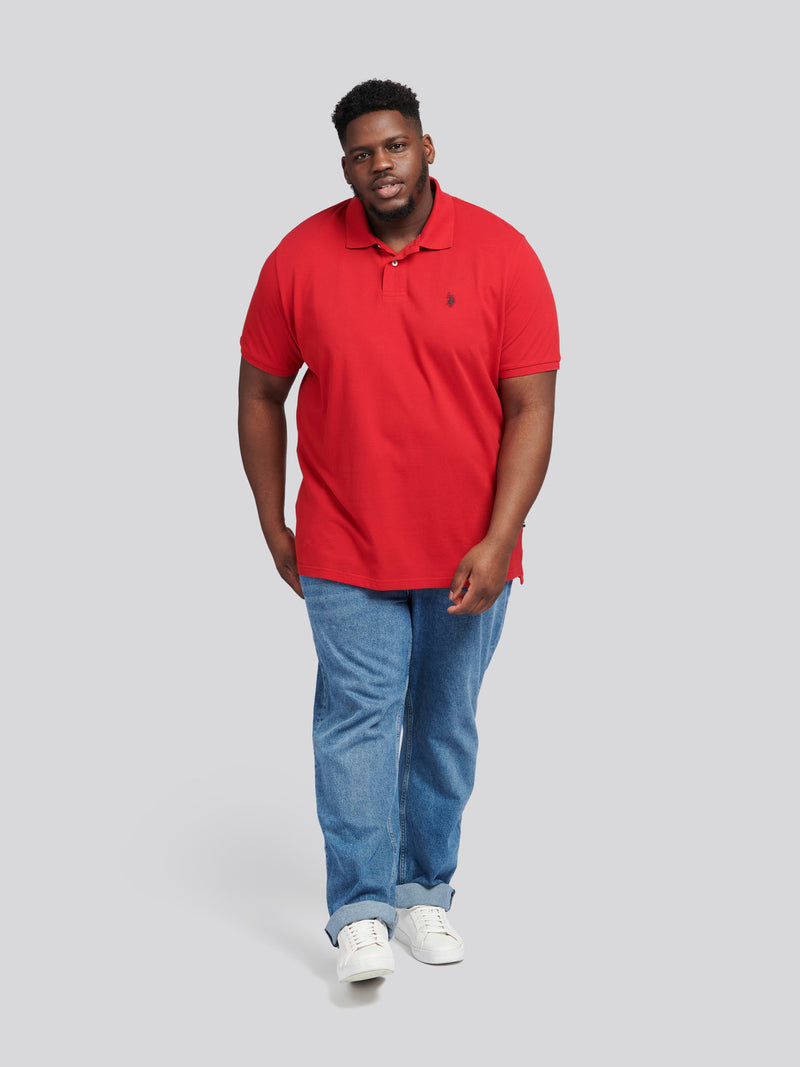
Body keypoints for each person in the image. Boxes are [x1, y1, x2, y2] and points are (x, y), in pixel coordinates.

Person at [238, 78, 560, 983]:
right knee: (357, 723)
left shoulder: (502, 254)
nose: (379, 164)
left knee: (445, 725)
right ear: (344, 165)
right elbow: (260, 391)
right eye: (360, 153)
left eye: (394, 145)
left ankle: (424, 891)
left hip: (470, 550)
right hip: (344, 542)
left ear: (427, 148)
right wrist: (271, 521)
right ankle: (360, 910)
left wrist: (501, 536)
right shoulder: (299, 257)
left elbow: (532, 407)